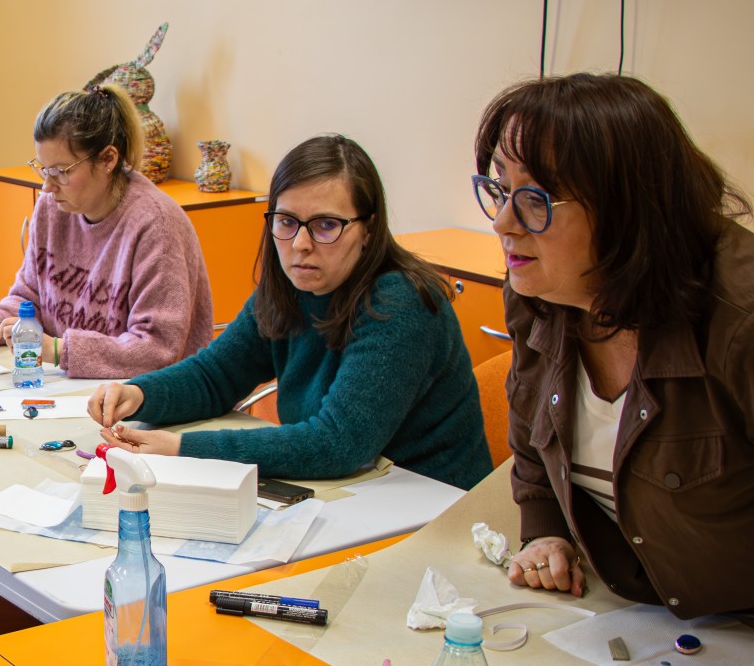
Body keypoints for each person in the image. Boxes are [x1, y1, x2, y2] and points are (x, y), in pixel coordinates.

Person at [482, 74, 754, 647]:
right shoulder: (540, 290)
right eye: (500, 189)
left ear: (627, 208)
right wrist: (545, 529)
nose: (503, 223)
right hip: (654, 619)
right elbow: (531, 434)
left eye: (536, 200)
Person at [88, 134, 493, 490]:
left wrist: (183, 449)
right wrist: (139, 393)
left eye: (326, 225)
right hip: (358, 494)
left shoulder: (400, 302)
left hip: (432, 508)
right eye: (286, 222)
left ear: (368, 230)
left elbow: (338, 443)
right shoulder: (289, 288)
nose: (300, 244)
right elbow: (216, 376)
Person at [0, 84, 215, 378]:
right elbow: (30, 298)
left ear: (108, 159)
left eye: (61, 171)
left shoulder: (156, 225)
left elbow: (157, 349)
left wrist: (59, 350)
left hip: (149, 394)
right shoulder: (52, 206)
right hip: (75, 387)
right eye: (43, 169)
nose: (47, 186)